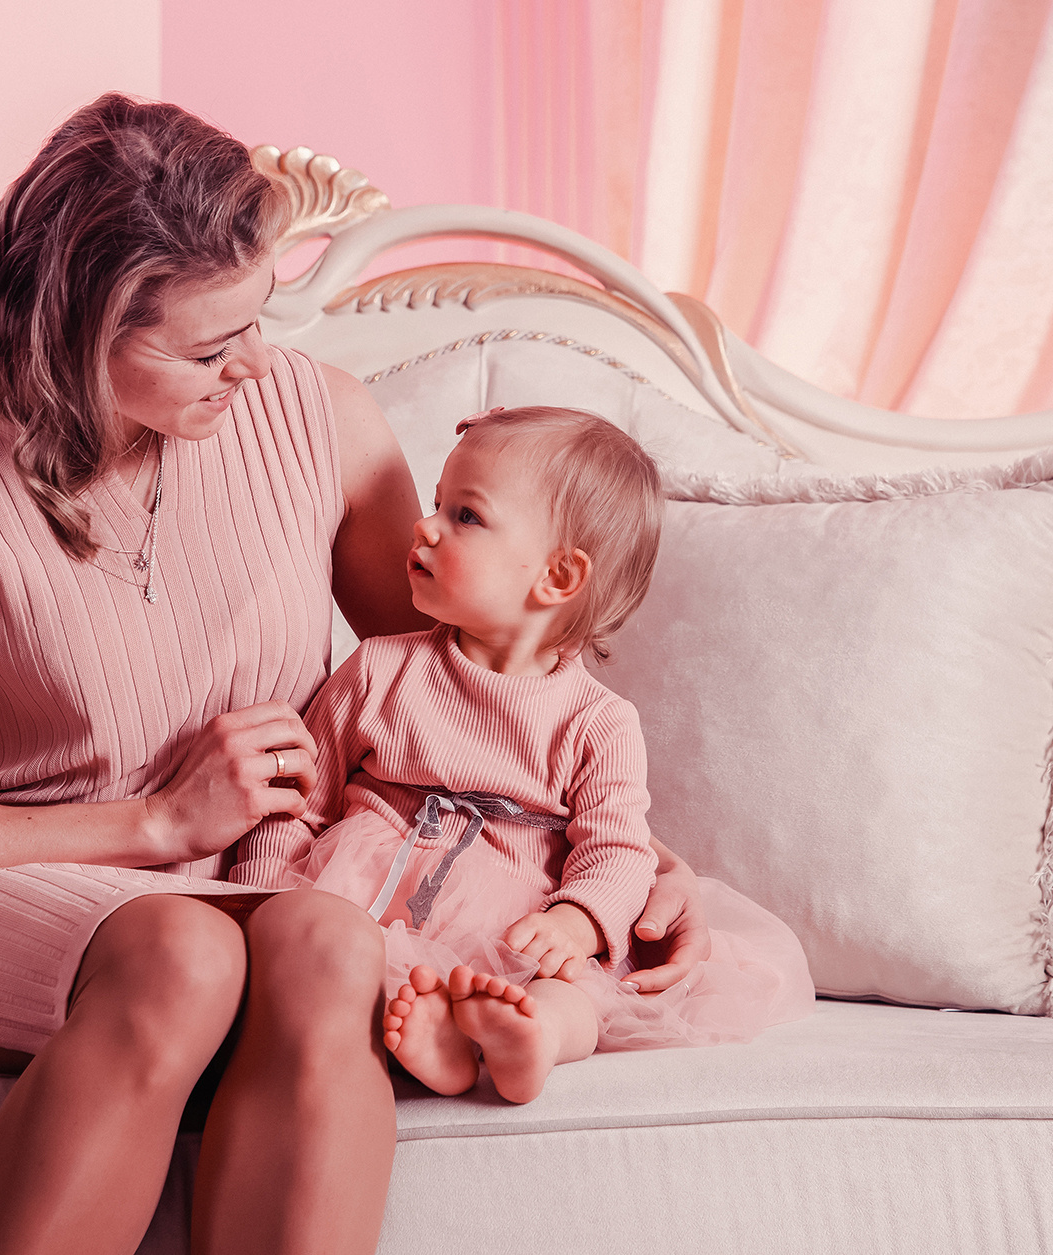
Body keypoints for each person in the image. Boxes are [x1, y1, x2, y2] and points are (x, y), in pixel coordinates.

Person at [0, 94, 713, 1255]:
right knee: (180, 948)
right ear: (74, 339)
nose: (255, 365)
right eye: (209, 350)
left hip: (274, 893)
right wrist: (156, 824)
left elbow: (463, 704)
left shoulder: (321, 420)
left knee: (327, 944)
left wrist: (636, 872)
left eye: (256, 320)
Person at [232, 406, 813, 1104]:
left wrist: (577, 921)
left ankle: (531, 1037)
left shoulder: (598, 721)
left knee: (576, 993)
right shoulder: (379, 669)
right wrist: (254, 900)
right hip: (368, 899)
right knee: (338, 966)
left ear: (558, 576)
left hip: (514, 925)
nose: (425, 526)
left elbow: (618, 850)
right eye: (436, 503)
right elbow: (300, 800)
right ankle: (436, 1041)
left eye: (465, 516)